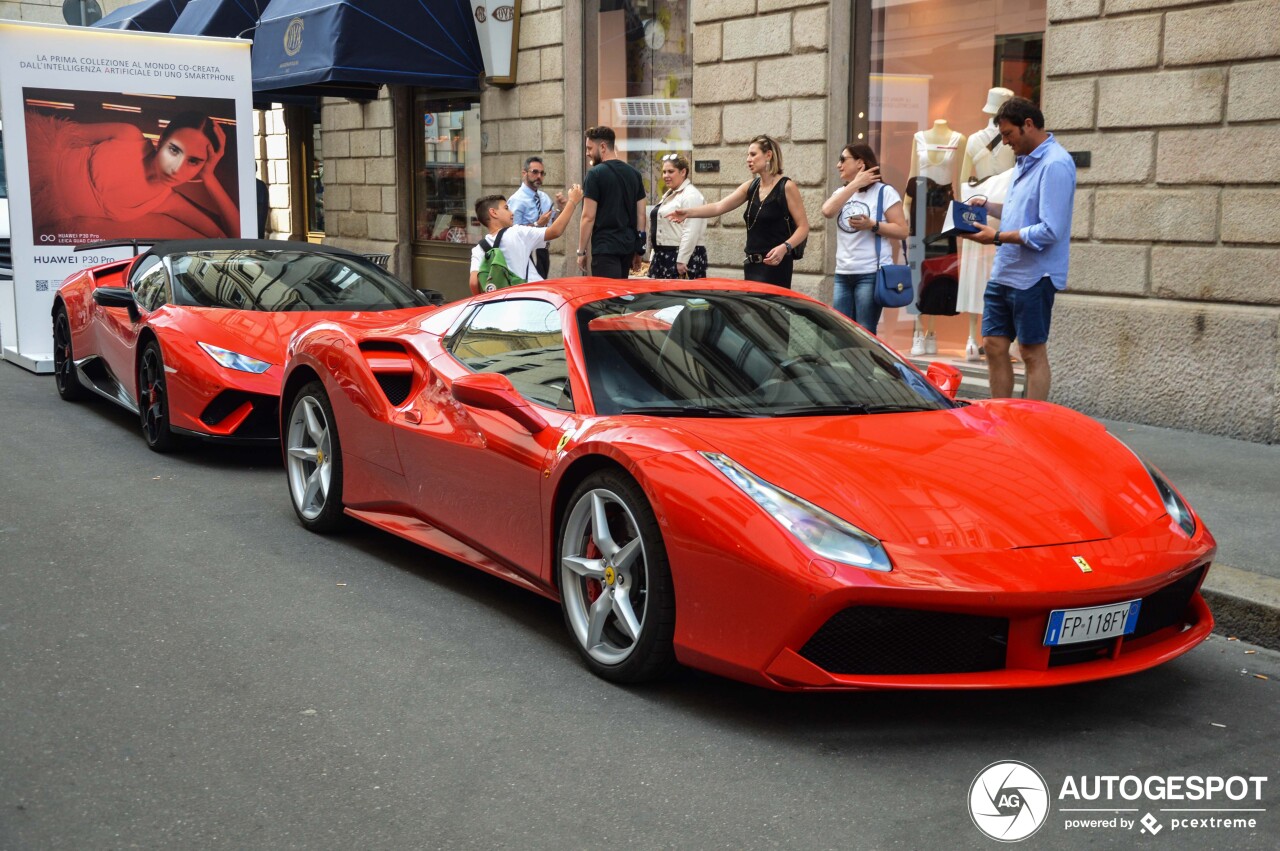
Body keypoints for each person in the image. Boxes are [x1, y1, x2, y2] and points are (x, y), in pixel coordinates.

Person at [960, 97, 1076, 401]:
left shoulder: (1056, 164)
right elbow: (1018, 209)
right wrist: (988, 205)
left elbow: (1050, 230)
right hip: (1005, 271)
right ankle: (1001, 417)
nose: (1006, 142)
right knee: (994, 345)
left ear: (1028, 125)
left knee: (1030, 351)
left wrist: (997, 237)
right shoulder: (1024, 161)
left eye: (1009, 134)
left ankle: (1032, 423)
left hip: (1035, 276)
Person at [26, 109, 240, 243]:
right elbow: (55, 131)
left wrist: (209, 177)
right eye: (174, 150)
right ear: (161, 139)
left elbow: (236, 236)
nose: (177, 168)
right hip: (29, 166)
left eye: (193, 161)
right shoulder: (128, 136)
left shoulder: (166, 202)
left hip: (41, 213)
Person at [668, 134, 808, 288]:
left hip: (777, 265)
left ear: (768, 155)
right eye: (748, 155)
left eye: (753, 154)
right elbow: (719, 206)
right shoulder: (751, 186)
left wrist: (785, 247)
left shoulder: (786, 186)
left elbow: (803, 227)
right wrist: (688, 213)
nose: (748, 159)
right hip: (752, 265)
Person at [820, 144, 908, 334]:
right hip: (843, 272)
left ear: (860, 163)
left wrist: (872, 225)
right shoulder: (842, 193)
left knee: (865, 331)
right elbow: (827, 211)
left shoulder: (884, 192)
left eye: (843, 159)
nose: (838, 165)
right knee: (840, 331)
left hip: (870, 273)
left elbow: (902, 230)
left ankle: (867, 365)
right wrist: (854, 185)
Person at [469, 186, 583, 295]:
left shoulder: (478, 249)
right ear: (493, 212)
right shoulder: (517, 232)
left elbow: (474, 283)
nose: (512, 213)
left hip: (503, 304)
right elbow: (555, 231)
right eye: (506, 208)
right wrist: (572, 202)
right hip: (531, 298)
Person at [577, 126, 646, 279]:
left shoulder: (595, 174)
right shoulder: (634, 174)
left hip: (605, 248)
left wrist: (581, 251)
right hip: (627, 248)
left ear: (602, 147)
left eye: (589, 148)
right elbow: (641, 215)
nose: (587, 153)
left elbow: (588, 217)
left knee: (607, 299)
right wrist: (639, 250)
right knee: (621, 298)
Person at [648, 154, 708, 279]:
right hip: (664, 256)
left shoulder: (691, 195)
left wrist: (682, 260)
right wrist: (654, 255)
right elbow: (660, 228)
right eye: (664, 172)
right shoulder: (671, 193)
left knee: (680, 297)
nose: (665, 176)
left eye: (670, 171)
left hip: (680, 257)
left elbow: (691, 230)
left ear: (683, 172)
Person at [508, 156, 566, 278]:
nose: (539, 176)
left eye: (542, 173)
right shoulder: (516, 200)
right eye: (535, 172)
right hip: (524, 253)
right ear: (524, 173)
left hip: (543, 251)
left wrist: (561, 209)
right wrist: (537, 224)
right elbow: (512, 232)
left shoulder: (544, 198)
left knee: (542, 283)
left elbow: (552, 226)